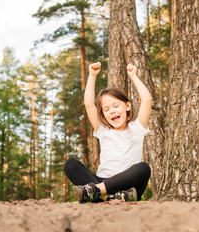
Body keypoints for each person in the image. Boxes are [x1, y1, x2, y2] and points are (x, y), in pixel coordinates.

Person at [64, 62, 152, 203]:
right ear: (103, 115)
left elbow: (147, 100)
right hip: (102, 180)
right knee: (70, 165)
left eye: (116, 106)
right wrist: (92, 76)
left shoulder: (137, 128)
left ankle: (97, 192)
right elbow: (89, 104)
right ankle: (107, 197)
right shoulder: (103, 131)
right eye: (106, 109)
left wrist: (134, 76)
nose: (111, 111)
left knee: (144, 168)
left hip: (129, 187)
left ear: (128, 106)